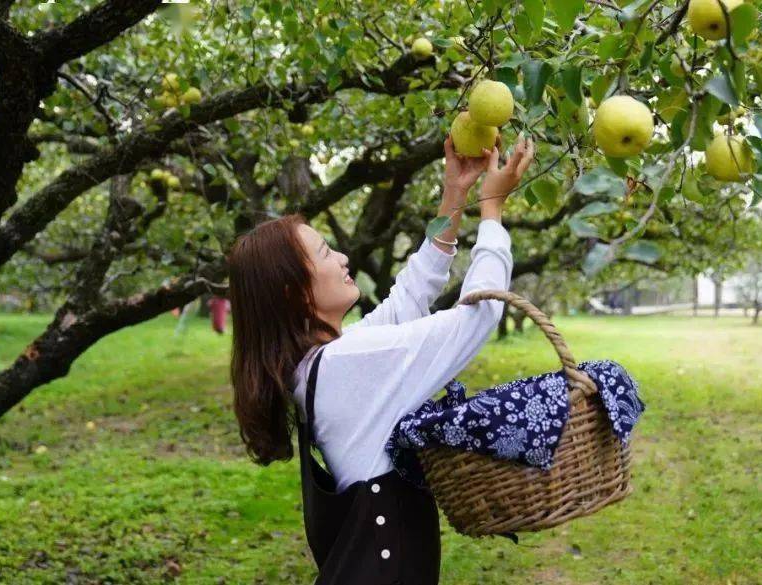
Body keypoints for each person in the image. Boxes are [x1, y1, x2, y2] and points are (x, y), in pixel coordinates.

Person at [226, 133, 535, 584]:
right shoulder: (344, 365)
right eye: (326, 253)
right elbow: (478, 316)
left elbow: (410, 294)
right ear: (296, 292)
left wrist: (455, 194)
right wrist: (491, 212)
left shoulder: (320, 367)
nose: (344, 257)